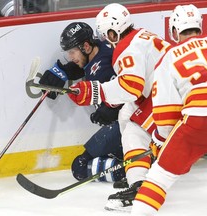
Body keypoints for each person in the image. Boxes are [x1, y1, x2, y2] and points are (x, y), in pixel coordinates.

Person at [131, 4, 207, 216]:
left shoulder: (169, 57)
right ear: (200, 26)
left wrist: (161, 143)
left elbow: (165, 113)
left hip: (200, 120)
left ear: (173, 31)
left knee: (159, 177)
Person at [67, 3, 171, 211]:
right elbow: (136, 87)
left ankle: (139, 184)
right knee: (126, 115)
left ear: (114, 33)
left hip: (167, 95)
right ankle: (139, 174)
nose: (106, 40)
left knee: (133, 127)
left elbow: (131, 87)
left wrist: (94, 92)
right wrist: (112, 101)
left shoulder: (125, 47)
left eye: (106, 35)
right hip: (166, 89)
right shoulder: (142, 34)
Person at [39, 22, 127, 186]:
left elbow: (127, 99)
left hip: (128, 128)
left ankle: (132, 168)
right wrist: (62, 71)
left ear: (86, 46)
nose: (71, 57)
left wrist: (111, 110)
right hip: (123, 130)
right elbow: (86, 67)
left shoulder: (106, 64)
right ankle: (131, 162)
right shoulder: (101, 48)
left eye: (72, 52)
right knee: (89, 163)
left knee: (79, 168)